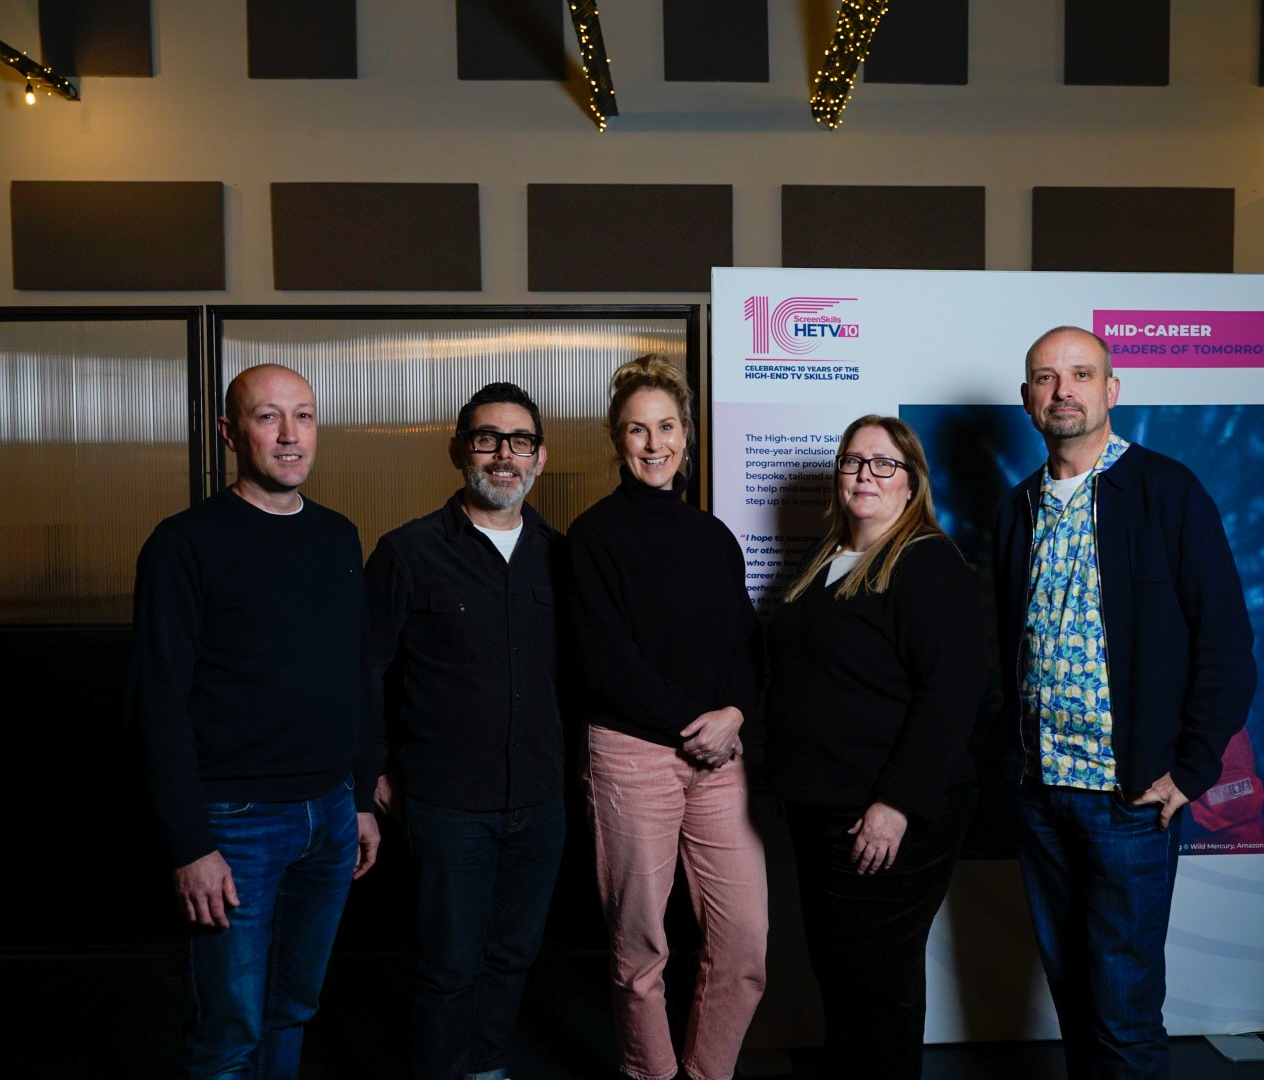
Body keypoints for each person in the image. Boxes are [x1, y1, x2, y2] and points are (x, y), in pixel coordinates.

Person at [993, 326, 1257, 1079]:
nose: (1062, 390)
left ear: (1112, 390)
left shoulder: (1168, 491)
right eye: (1045, 378)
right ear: (1027, 400)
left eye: (1080, 374)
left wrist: (1193, 767)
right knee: (1075, 997)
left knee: (1124, 1012)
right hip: (1042, 794)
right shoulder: (1018, 510)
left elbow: (1228, 644)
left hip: (1130, 798)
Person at [128, 363, 381, 1079]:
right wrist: (190, 843)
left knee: (294, 1006)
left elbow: (358, 675)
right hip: (234, 824)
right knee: (229, 1028)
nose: (290, 434)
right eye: (268, 417)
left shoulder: (338, 537)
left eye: (303, 415)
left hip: (330, 816)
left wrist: (360, 799)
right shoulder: (184, 544)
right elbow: (157, 700)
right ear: (230, 434)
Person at [766, 415, 990, 1080]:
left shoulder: (927, 564)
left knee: (876, 988)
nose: (866, 474)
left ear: (912, 482)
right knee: (842, 978)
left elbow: (950, 699)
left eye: (884, 463)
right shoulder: (822, 560)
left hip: (886, 817)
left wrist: (896, 803)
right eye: (854, 461)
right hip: (822, 811)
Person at [568, 354, 768, 1080]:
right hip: (632, 755)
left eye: (667, 427)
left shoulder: (712, 536)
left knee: (745, 942)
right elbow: (604, 662)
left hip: (721, 756)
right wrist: (700, 724)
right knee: (640, 946)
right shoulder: (593, 537)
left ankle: (706, 1075)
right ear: (616, 440)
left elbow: (744, 645)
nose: (654, 444)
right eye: (636, 430)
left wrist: (736, 713)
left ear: (687, 434)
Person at [364, 382, 567, 1080]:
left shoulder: (562, 557)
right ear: (458, 450)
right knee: (447, 964)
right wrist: (375, 773)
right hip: (447, 804)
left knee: (513, 955)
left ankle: (487, 1069)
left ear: (540, 458)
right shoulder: (407, 552)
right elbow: (368, 674)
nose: (503, 456)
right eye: (487, 439)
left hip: (540, 800)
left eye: (519, 442)